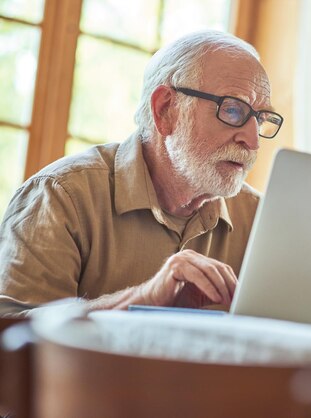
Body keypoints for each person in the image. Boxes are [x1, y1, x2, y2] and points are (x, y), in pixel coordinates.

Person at [0, 30, 283, 316]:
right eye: (233, 110)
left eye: (260, 119)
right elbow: (9, 337)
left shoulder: (263, 221)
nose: (253, 140)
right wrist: (143, 298)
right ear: (166, 110)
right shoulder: (60, 196)